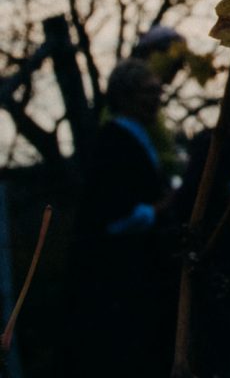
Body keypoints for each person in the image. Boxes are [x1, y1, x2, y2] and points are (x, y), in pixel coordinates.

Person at [69, 59, 177, 374]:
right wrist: (161, 208)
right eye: (150, 90)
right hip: (119, 277)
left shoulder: (133, 136)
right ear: (127, 96)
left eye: (158, 89)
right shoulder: (114, 142)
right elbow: (113, 216)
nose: (158, 97)